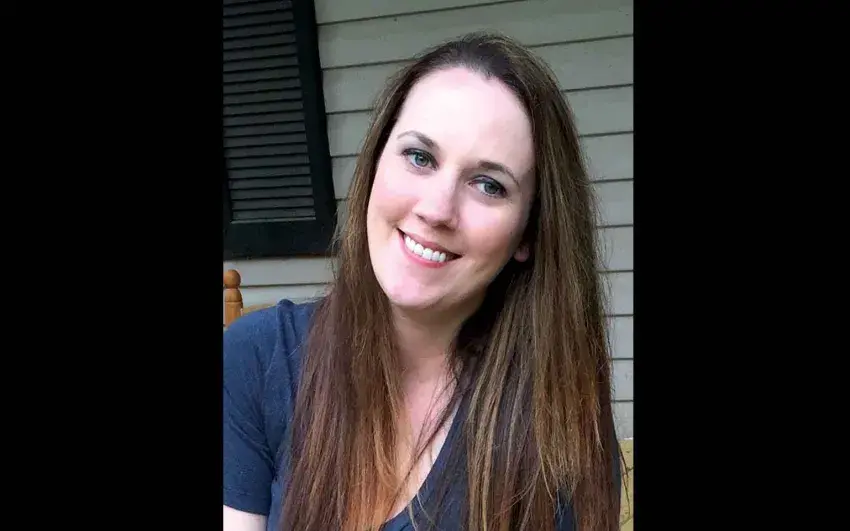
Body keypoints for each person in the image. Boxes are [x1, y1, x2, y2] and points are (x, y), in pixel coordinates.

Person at [223, 31, 623, 531]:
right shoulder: (259, 360)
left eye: (489, 185)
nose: (436, 209)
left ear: (528, 232)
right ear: (374, 165)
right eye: (419, 157)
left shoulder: (559, 427)